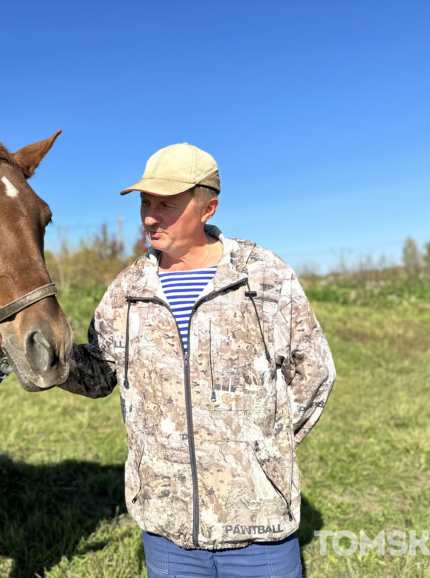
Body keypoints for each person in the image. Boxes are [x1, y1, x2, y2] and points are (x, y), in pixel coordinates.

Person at [56, 143, 336, 578]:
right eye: (146, 203)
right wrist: (49, 360)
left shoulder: (261, 276)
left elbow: (313, 369)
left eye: (165, 204)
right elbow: (98, 373)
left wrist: (263, 448)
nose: (149, 216)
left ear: (209, 207)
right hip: (168, 532)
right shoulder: (128, 290)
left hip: (258, 528)